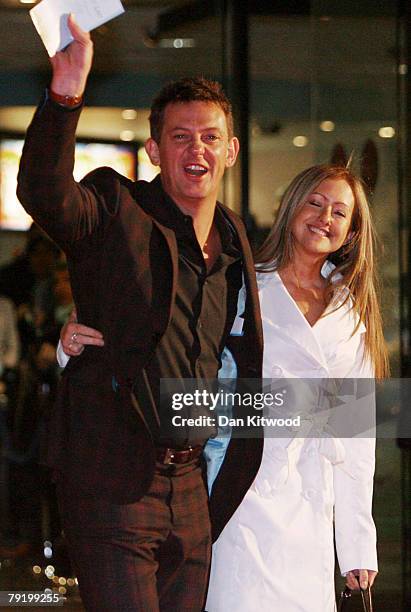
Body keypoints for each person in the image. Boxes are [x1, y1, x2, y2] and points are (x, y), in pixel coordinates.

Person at [16, 14, 263, 612]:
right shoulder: (115, 205)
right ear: (154, 149)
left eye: (209, 136)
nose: (195, 148)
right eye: (180, 136)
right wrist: (65, 95)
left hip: (193, 487)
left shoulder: (235, 241)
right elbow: (44, 193)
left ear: (231, 149)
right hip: (113, 482)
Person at [204, 164, 389, 611]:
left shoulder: (352, 312)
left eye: (340, 212)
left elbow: (355, 439)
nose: (326, 217)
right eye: (316, 202)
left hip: (309, 511)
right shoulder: (242, 288)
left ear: (350, 232)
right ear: (291, 207)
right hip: (241, 494)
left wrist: (358, 545)